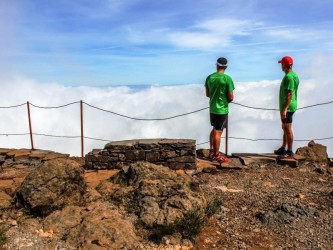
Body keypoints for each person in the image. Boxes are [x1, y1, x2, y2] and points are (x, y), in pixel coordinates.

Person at [205, 57, 235, 163]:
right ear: (225, 66)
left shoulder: (209, 78)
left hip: (212, 108)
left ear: (216, 65)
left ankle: (212, 150)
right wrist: (225, 101)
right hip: (222, 109)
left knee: (214, 129)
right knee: (218, 131)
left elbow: (207, 94)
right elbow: (231, 96)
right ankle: (216, 155)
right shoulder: (227, 78)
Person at [274, 56, 299, 158]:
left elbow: (289, 94)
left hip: (287, 106)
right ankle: (283, 148)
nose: (281, 66)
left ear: (284, 65)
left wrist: (285, 108)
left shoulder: (289, 77)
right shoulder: (294, 75)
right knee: (284, 127)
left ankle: (289, 151)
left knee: (287, 129)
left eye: (282, 64)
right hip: (288, 106)